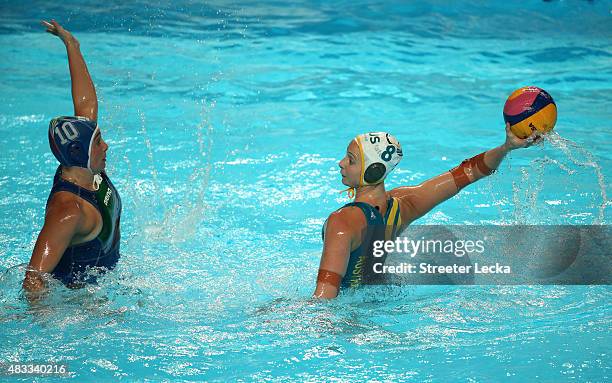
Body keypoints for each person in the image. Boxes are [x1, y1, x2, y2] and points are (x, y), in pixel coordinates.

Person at [313, 126, 543, 298]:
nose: (341, 163)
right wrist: (506, 147)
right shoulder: (402, 206)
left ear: (373, 170)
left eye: (350, 160)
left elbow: (325, 298)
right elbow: (466, 174)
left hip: (352, 308)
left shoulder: (342, 222)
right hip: (385, 297)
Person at [22, 20, 122, 294]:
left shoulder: (82, 165)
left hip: (107, 284)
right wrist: (46, 325)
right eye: (98, 142)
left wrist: (71, 44)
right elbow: (33, 279)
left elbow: (86, 103)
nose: (106, 146)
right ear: (80, 152)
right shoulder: (68, 211)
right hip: (80, 302)